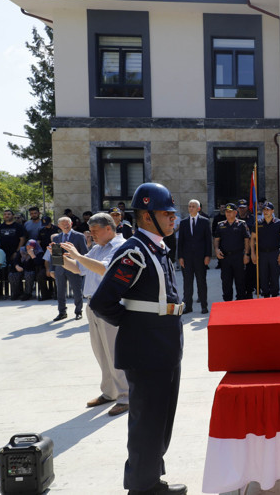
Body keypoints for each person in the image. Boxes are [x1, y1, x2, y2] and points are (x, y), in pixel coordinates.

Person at [89, 182, 186, 495]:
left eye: (172, 213)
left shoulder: (156, 248)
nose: (173, 218)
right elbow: (102, 302)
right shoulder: (134, 252)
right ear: (146, 216)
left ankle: (151, 478)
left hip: (164, 346)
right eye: (166, 213)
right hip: (147, 350)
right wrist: (134, 326)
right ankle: (143, 488)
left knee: (161, 420)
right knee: (147, 422)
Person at [60, 212, 129, 417]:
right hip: (92, 304)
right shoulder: (97, 248)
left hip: (110, 305)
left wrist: (78, 255)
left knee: (115, 352)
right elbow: (78, 268)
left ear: (109, 228)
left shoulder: (120, 246)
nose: (92, 235)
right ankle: (109, 392)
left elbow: (104, 269)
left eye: (95, 230)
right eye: (90, 231)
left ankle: (126, 395)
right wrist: (60, 257)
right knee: (101, 352)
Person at [177, 200, 212, 314]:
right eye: (189, 206)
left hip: (200, 258)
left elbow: (208, 240)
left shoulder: (204, 221)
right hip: (187, 258)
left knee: (201, 282)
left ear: (198, 208)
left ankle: (204, 306)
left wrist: (208, 255)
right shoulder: (183, 223)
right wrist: (180, 257)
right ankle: (188, 306)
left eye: (193, 206)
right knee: (187, 283)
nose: (191, 208)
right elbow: (181, 241)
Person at [50, 217, 88, 321]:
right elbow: (54, 254)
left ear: (71, 224)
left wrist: (83, 266)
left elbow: (84, 252)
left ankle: (78, 312)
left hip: (74, 267)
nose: (66, 226)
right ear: (59, 226)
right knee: (60, 292)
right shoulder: (56, 238)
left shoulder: (79, 236)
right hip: (60, 268)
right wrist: (52, 269)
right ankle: (62, 312)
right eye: (63, 224)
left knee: (77, 291)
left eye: (67, 223)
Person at [214, 204, 250, 301]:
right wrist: (216, 249)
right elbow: (216, 239)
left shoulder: (242, 224)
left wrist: (246, 254)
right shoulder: (220, 225)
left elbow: (247, 240)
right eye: (226, 212)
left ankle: (240, 303)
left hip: (238, 257)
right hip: (225, 258)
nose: (228, 214)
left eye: (230, 212)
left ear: (235, 212)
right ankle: (227, 303)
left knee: (240, 282)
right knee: (226, 282)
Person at [251, 202, 280, 297]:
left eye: (268, 209)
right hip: (262, 254)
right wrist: (253, 253)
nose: (266, 211)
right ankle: (266, 297)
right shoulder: (257, 223)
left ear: (272, 211)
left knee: (275, 276)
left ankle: (274, 297)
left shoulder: (279, 223)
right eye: (264, 210)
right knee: (263, 277)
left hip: (274, 253)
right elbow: (252, 239)